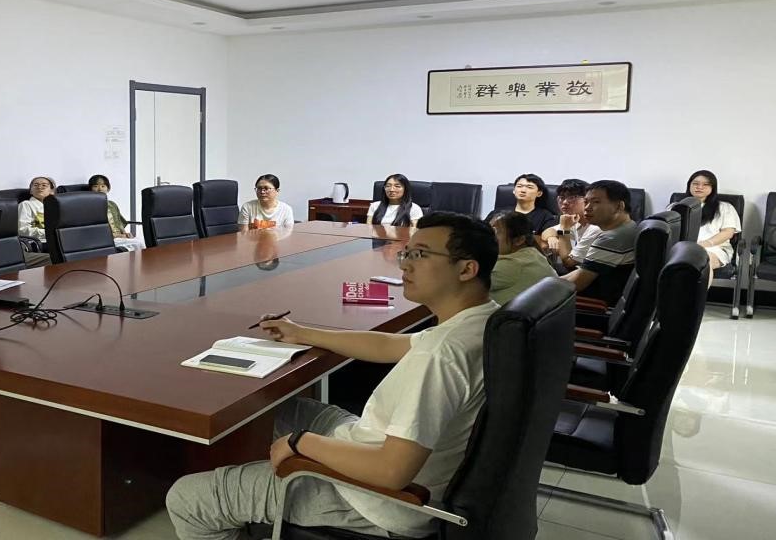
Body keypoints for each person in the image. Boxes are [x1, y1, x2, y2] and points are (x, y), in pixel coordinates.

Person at [166, 213, 500, 539]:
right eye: (406, 253)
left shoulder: (441, 355)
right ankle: (254, 499)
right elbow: (388, 345)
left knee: (187, 499)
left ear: (466, 269)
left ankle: (247, 499)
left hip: (379, 501)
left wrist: (300, 443)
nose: (404, 265)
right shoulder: (485, 321)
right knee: (278, 411)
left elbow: (391, 472)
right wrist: (301, 333)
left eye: (420, 255)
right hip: (387, 448)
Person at [564, 180, 638, 305]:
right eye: (586, 202)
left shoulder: (612, 238)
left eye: (596, 202)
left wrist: (539, 286)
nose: (587, 208)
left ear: (619, 206)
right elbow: (585, 270)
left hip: (595, 305)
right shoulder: (629, 226)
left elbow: (576, 283)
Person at [684, 169, 741, 285]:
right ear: (689, 185)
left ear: (712, 188)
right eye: (695, 183)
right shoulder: (676, 206)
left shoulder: (724, 207)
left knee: (702, 261)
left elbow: (728, 232)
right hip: (682, 248)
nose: (699, 187)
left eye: (705, 184)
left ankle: (696, 297)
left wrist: (704, 244)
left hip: (714, 249)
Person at [489, 211, 557, 304]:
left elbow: (468, 283)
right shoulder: (533, 253)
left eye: (494, 232)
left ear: (519, 240)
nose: (487, 236)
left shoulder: (510, 265)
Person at [541, 178, 601, 272]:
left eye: (572, 197)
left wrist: (564, 229)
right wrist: (551, 237)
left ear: (587, 200)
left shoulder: (595, 227)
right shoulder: (574, 220)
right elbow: (547, 231)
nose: (565, 202)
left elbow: (568, 262)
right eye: (562, 197)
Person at [89, 174, 146, 251]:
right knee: (135, 246)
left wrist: (125, 234)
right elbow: (95, 232)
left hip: (120, 238)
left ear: (108, 189)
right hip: (106, 240)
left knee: (141, 243)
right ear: (90, 189)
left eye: (103, 186)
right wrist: (117, 236)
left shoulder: (112, 204)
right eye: (95, 186)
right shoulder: (90, 208)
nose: (100, 189)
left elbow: (119, 223)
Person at [18, 176, 55, 241]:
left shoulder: (56, 206)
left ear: (52, 191)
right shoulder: (26, 204)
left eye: (44, 185)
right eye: (36, 185)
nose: (39, 187)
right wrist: (48, 233)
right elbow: (22, 230)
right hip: (40, 242)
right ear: (31, 191)